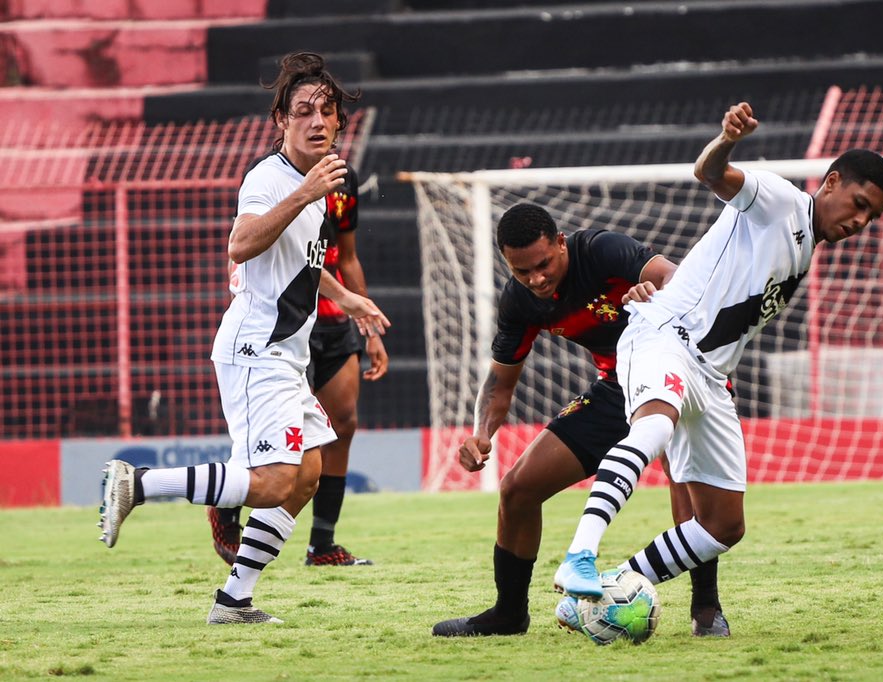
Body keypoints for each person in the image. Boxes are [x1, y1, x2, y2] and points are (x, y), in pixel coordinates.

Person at [552, 103, 883, 620]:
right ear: (831, 183)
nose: (860, 221)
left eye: (871, 216)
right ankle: (579, 556)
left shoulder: (804, 245)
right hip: (666, 338)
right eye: (859, 204)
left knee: (723, 526)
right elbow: (710, 172)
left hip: (711, 376)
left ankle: (607, 589)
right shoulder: (781, 201)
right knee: (653, 429)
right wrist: (728, 139)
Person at [97, 52, 389, 624]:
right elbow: (242, 242)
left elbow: (299, 260)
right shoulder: (270, 178)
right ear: (281, 118)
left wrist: (346, 296)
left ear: (338, 121)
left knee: (306, 475)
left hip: (287, 354)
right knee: (274, 481)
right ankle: (138, 482)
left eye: (327, 111)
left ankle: (234, 600)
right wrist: (303, 194)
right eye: (303, 110)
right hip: (257, 348)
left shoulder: (319, 181)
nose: (318, 121)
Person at [431, 202, 731, 637]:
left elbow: (676, 277)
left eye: (543, 265)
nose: (536, 279)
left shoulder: (602, 251)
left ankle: (706, 609)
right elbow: (499, 383)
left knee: (685, 483)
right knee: (517, 489)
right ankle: (509, 614)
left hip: (677, 372)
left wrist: (655, 293)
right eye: (522, 271)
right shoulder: (519, 301)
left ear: (560, 243)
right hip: (617, 387)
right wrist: (481, 434)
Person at [207, 163, 389, 568]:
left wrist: (369, 325)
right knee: (278, 442)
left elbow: (348, 256)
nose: (319, 131)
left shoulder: (343, 180)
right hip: (286, 325)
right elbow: (247, 249)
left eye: (329, 126)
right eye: (307, 122)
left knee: (342, 423)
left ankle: (322, 544)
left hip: (334, 321)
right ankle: (226, 502)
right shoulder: (273, 176)